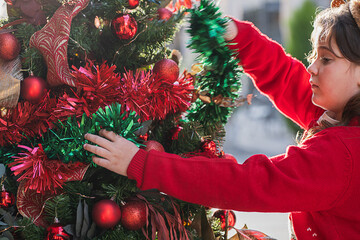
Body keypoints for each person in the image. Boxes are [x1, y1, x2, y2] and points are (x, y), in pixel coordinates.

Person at [83, 1, 360, 239]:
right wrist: (240, 38)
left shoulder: (342, 157)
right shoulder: (343, 115)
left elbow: (243, 184)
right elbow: (287, 79)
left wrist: (142, 164)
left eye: (326, 59)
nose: (311, 67)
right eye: (314, 55)